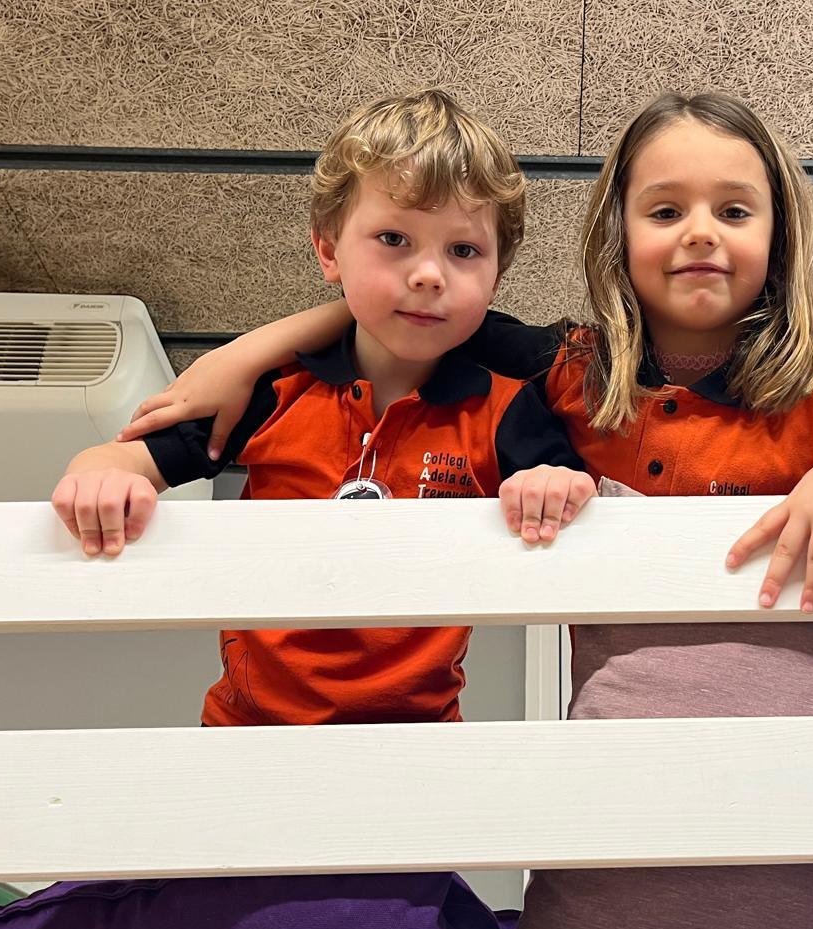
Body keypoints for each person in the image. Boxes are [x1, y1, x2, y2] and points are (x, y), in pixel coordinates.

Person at [118, 92, 813, 614]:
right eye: (666, 210)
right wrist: (252, 351)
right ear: (620, 234)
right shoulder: (564, 371)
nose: (701, 232)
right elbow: (411, 313)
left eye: (735, 210)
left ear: (779, 235)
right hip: (627, 725)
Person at [53, 89, 592, 727]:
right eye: (394, 238)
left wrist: (552, 482)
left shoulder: (506, 408)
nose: (429, 274)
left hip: (422, 744)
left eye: (464, 250)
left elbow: (568, 483)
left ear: (496, 276)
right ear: (329, 251)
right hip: (246, 736)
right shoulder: (272, 391)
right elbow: (115, 458)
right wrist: (100, 478)